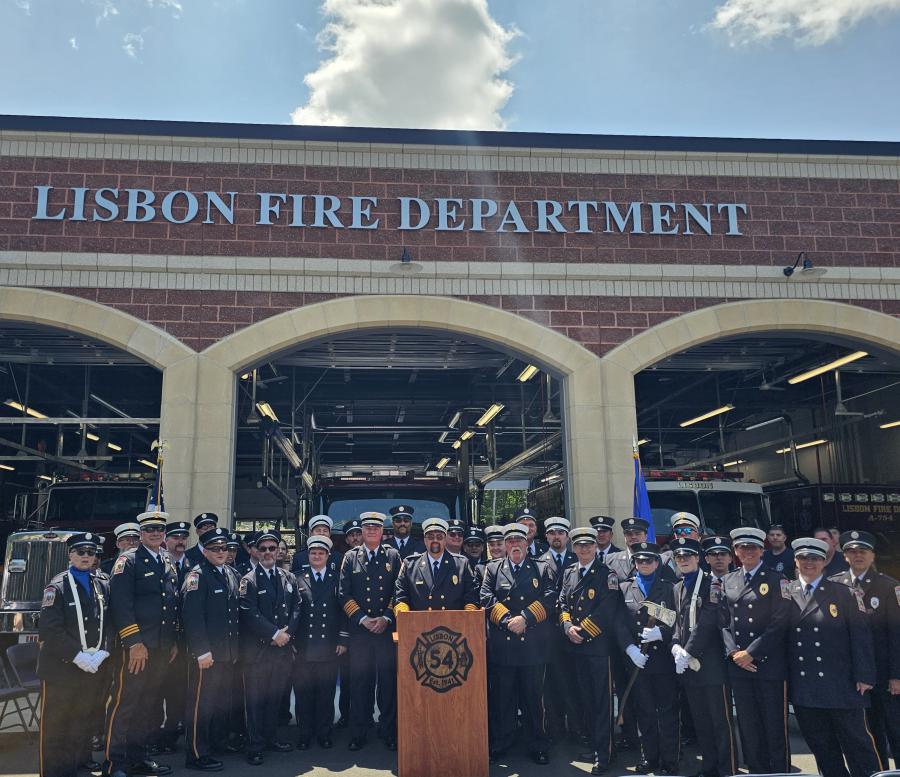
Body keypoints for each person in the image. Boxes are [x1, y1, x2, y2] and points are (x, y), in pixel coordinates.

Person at [785, 537, 881, 777]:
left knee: (857, 745)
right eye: (804, 558)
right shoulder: (786, 592)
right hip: (806, 686)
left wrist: (864, 675)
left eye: (815, 558)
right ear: (796, 561)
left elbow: (861, 637)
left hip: (842, 684)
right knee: (822, 747)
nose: (809, 563)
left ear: (824, 562)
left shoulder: (844, 593)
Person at [105, 509, 180, 777]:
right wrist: (134, 642)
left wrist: (171, 641)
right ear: (141, 533)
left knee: (148, 704)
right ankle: (115, 763)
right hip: (137, 648)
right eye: (150, 530)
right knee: (126, 703)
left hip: (160, 647)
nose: (156, 534)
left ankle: (139, 756)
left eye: (160, 530)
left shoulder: (167, 561)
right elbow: (120, 606)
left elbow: (170, 604)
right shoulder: (129, 561)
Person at [480, 522, 557, 765]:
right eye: (510, 541)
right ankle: (502, 742)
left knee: (534, 700)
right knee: (503, 699)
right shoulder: (493, 569)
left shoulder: (542, 568)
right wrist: (506, 620)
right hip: (503, 646)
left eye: (519, 541)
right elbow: (485, 597)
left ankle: (538, 744)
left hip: (532, 645)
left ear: (527, 543)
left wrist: (525, 618)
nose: (515, 545)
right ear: (504, 545)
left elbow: (550, 597)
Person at [557, 527, 631, 776]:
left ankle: (605, 753)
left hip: (598, 649)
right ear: (574, 548)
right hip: (575, 648)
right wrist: (567, 626)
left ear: (595, 547)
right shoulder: (570, 573)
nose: (585, 549)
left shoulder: (606, 574)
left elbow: (608, 610)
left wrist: (582, 631)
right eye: (580, 545)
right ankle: (596, 745)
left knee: (601, 703)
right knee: (586, 701)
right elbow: (562, 602)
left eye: (589, 545)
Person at [38, 532, 112, 777]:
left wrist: (102, 652)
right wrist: (77, 656)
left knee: (82, 720)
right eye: (81, 552)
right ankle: (53, 771)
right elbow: (50, 630)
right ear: (71, 555)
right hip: (62, 667)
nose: (86, 557)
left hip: (91, 667)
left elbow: (109, 622)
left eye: (91, 553)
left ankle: (75, 764)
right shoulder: (56, 586)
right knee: (57, 723)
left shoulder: (100, 584)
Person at [720, 526, 790, 775]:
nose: (747, 552)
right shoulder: (728, 580)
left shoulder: (778, 580)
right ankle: (757, 770)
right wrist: (733, 654)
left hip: (767, 663)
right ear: (736, 551)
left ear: (762, 550)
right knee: (748, 724)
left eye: (753, 548)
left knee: (774, 724)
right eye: (742, 548)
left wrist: (752, 652)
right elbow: (723, 622)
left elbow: (781, 622)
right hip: (738, 664)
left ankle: (779, 771)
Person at [830, 530, 900, 768]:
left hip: (884, 674)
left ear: (872, 555)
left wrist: (896, 675)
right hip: (854, 675)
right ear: (845, 555)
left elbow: (896, 636)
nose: (857, 555)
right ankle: (878, 773)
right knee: (868, 733)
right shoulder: (835, 585)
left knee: (895, 730)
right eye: (851, 551)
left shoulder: (889, 587)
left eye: (863, 551)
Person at [670, 538, 736, 777]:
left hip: (710, 665)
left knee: (720, 723)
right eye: (679, 557)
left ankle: (727, 769)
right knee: (702, 722)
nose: (683, 560)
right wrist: (675, 646)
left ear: (698, 558)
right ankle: (709, 768)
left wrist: (688, 651)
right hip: (688, 666)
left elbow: (707, 621)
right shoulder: (678, 587)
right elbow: (676, 622)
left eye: (688, 556)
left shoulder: (712, 584)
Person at [338, 511, 402, 752]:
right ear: (362, 532)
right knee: (360, 684)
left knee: (387, 684)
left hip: (386, 632)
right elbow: (343, 594)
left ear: (382, 532)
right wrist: (363, 619)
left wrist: (386, 617)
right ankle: (359, 732)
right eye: (367, 528)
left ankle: (388, 731)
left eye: (376, 527)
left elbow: (399, 590)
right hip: (361, 633)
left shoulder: (394, 556)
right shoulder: (351, 557)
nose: (372, 531)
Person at [181, 528, 241, 772]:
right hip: (207, 656)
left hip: (226, 653)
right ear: (204, 550)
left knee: (218, 703)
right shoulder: (197, 575)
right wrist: (201, 651)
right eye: (215, 549)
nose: (221, 552)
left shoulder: (230, 573)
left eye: (224, 548)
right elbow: (192, 617)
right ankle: (196, 753)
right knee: (201, 705)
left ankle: (216, 743)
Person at [239, 529, 300, 765]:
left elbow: (297, 608)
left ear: (278, 551)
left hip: (282, 651)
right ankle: (254, 745)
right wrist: (274, 634)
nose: (267, 553)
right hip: (259, 652)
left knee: (274, 698)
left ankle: (271, 737)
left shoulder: (288, 578)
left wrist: (288, 634)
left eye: (271, 548)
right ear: (255, 551)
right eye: (262, 548)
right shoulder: (249, 580)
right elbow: (249, 613)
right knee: (255, 701)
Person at [619, 542, 679, 774]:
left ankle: (670, 759)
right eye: (640, 561)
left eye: (649, 560)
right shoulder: (625, 588)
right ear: (634, 563)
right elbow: (619, 623)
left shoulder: (670, 587)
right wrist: (629, 649)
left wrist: (661, 633)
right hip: (637, 661)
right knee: (644, 711)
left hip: (663, 659)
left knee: (667, 711)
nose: (644, 564)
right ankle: (649, 757)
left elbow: (677, 619)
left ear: (657, 563)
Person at [292, 535, 348, 750]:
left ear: (328, 556)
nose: (316, 556)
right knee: (304, 693)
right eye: (313, 553)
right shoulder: (296, 578)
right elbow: (292, 612)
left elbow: (344, 610)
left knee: (326, 692)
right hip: (304, 645)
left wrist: (343, 638)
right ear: (308, 556)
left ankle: (324, 732)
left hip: (329, 644)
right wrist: (292, 640)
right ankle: (305, 733)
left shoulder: (337, 578)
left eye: (321, 553)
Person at [538, 516, 581, 743]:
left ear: (567, 536)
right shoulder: (538, 561)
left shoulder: (577, 559)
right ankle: (554, 731)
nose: (557, 537)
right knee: (551, 685)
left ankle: (576, 729)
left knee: (573, 682)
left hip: (574, 632)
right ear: (546, 536)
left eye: (561, 533)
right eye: (552, 533)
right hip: (549, 633)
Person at [154, 521, 193, 754]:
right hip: (161, 641)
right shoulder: (159, 565)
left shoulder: (192, 566)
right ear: (166, 540)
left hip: (184, 642)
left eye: (183, 538)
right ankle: (154, 737)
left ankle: (171, 733)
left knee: (178, 691)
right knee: (156, 691)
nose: (180, 542)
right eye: (175, 537)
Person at [393, 516, 479, 613]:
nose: (435, 540)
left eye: (439, 537)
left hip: (453, 625)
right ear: (424, 540)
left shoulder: (462, 564)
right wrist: (404, 616)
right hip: (420, 625)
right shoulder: (410, 565)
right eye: (430, 537)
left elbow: (471, 597)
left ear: (445, 539)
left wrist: (468, 616)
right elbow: (400, 597)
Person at [336, 517, 363, 729]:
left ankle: (367, 720)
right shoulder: (342, 559)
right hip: (350, 627)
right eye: (351, 535)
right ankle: (347, 717)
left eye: (358, 534)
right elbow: (341, 598)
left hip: (373, 628)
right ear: (346, 539)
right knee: (348, 679)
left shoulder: (382, 557)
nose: (355, 538)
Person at [606, 518, 676, 583]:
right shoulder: (610, 560)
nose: (633, 537)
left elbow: (670, 589)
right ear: (624, 536)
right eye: (629, 534)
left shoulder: (662, 561)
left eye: (637, 533)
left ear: (646, 536)